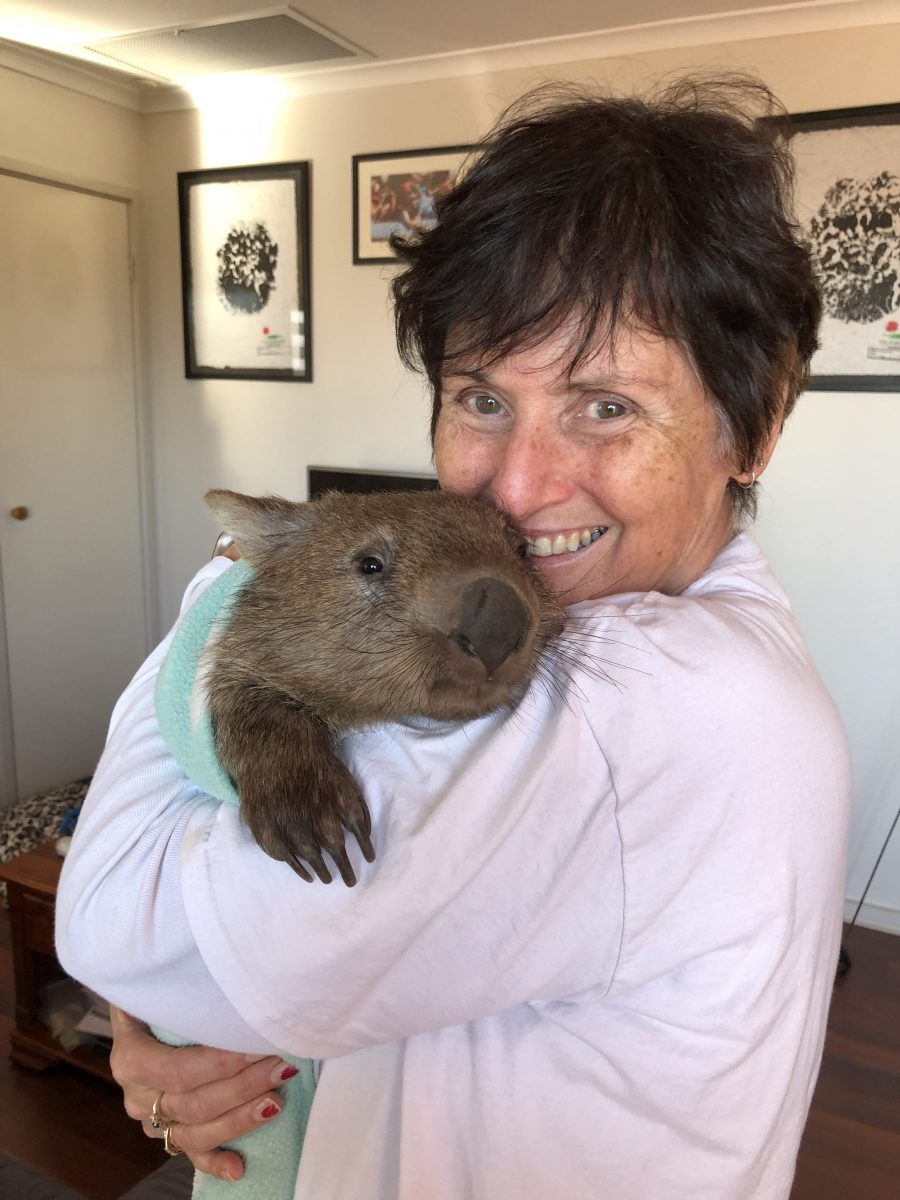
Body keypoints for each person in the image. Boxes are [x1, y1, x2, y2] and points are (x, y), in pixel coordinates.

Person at [56, 76, 850, 1199]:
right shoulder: (683, 637)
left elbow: (109, 926)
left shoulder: (637, 704)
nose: (517, 492)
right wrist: (164, 1047)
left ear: (755, 424)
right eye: (481, 399)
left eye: (606, 406)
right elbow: (209, 981)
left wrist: (220, 593)